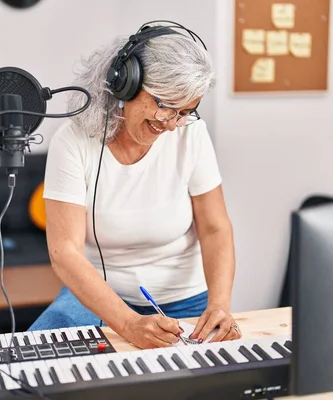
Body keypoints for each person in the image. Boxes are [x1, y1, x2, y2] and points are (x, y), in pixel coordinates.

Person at [28, 22, 241, 350]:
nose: (171, 124)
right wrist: (127, 323)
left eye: (185, 111)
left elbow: (215, 228)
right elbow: (64, 252)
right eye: (166, 105)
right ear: (126, 85)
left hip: (185, 298)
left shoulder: (191, 133)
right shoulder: (72, 142)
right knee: (36, 355)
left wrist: (220, 305)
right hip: (99, 299)